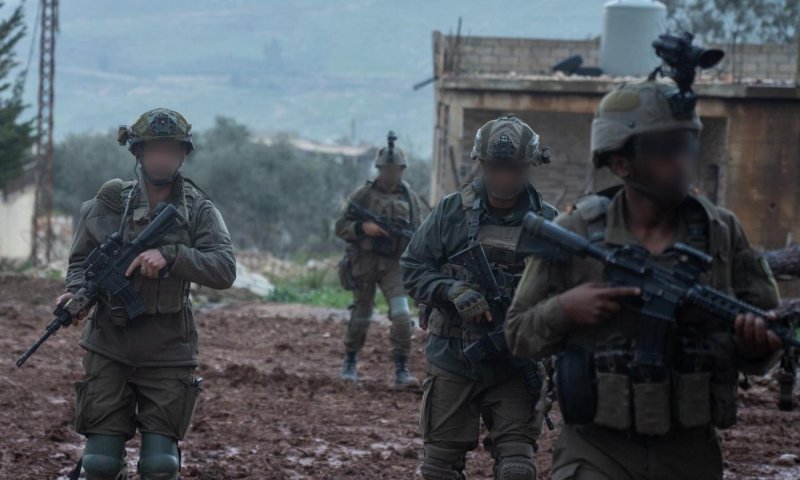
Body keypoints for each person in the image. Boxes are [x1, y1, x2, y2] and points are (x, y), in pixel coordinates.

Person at [505, 78, 782, 480]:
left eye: (688, 144)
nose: (683, 161)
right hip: (595, 449)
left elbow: (764, 344)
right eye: (665, 149)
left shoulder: (721, 233)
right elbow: (517, 333)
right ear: (621, 164)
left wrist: (756, 345)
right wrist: (565, 309)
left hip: (688, 451)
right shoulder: (576, 233)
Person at [60, 108, 236, 480]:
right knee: (100, 464)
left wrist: (172, 256)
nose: (162, 158)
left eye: (171, 150)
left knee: (160, 465)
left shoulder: (199, 210)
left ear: (182, 154)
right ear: (138, 153)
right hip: (109, 344)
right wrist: (75, 295)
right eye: (155, 150)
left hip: (169, 348)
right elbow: (79, 263)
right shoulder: (106, 206)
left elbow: (224, 269)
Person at [401, 115, 557, 480]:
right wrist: (450, 289)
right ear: (482, 164)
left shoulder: (549, 223)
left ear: (529, 167)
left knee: (518, 469)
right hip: (453, 357)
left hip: (515, 364)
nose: (505, 177)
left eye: (514, 168)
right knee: (439, 468)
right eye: (495, 167)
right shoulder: (451, 212)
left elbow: (564, 293)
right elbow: (412, 267)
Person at [334, 131, 429, 387]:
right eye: (386, 169)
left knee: (401, 317)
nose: (390, 174)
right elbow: (340, 225)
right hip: (365, 263)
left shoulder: (409, 198)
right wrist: (363, 228)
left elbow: (419, 232)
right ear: (379, 169)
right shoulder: (362, 195)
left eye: (395, 169)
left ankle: (401, 368)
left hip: (394, 266)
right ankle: (350, 362)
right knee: (361, 316)